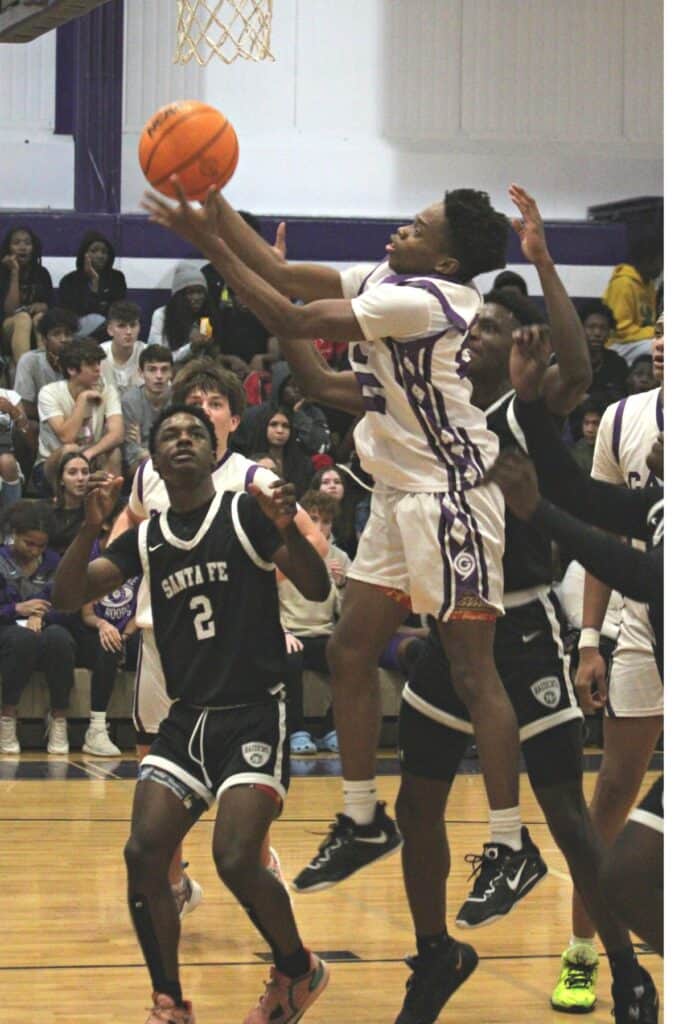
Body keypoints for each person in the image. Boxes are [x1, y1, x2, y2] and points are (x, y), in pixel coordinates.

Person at [143, 178, 549, 898]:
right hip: (397, 498)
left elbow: (287, 317)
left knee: (470, 671)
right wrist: (213, 197)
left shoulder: (422, 301)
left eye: (418, 227)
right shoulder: (390, 276)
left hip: (449, 497)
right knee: (348, 650)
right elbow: (276, 276)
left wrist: (205, 242)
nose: (400, 230)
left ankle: (509, 841)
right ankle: (361, 818)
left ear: (446, 262)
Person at [52, 404, 332, 1024]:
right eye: (169, 435)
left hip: (257, 712)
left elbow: (315, 589)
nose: (182, 441)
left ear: (215, 454)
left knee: (235, 856)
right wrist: (84, 529)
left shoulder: (244, 513)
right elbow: (70, 595)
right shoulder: (147, 538)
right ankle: (170, 1002)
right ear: (151, 459)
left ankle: (296, 968)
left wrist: (287, 530)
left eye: (195, 435)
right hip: (189, 718)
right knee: (143, 853)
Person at [109, 360, 327, 917]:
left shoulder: (252, 479)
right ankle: (176, 882)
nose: (201, 413)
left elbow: (311, 543)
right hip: (162, 635)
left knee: (236, 783)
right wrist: (119, 578)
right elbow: (126, 526)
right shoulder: (150, 474)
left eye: (213, 404)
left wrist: (256, 602)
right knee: (155, 763)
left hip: (229, 654)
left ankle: (260, 862)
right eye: (193, 403)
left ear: (231, 419)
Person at [484, 330, 662, 970]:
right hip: (645, 638)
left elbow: (643, 573)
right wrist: (529, 407)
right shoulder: (657, 494)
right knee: (624, 861)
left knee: (634, 874)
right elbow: (589, 501)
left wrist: (538, 512)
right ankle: (585, 951)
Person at [546, 321, 663, 1012]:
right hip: (640, 624)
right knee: (614, 788)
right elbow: (599, 539)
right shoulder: (622, 419)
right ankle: (586, 950)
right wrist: (589, 637)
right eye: (660, 329)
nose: (662, 342)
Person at [0, 500, 75, 755]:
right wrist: (16, 610)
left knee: (60, 639)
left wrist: (42, 616)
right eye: (28, 543)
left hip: (44, 627)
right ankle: (8, 716)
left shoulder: (54, 562)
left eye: (40, 545)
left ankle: (59, 718)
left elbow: (68, 609)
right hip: (7, 628)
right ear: (14, 535)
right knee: (22, 640)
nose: (34, 550)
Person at [280, 489, 351, 755]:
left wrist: (343, 585)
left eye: (326, 521)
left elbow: (348, 614)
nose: (320, 527)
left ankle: (332, 728)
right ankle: (297, 730)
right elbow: (267, 600)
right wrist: (282, 631)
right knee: (290, 658)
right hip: (290, 632)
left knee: (348, 659)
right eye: (313, 519)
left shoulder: (340, 557)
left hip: (324, 634)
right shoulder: (284, 553)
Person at [36, 338, 124, 492]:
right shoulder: (49, 393)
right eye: (91, 364)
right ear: (71, 369)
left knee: (114, 452)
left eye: (98, 363)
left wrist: (90, 453)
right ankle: (63, 505)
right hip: (53, 462)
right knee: (71, 448)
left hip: (90, 458)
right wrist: (83, 399)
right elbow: (66, 437)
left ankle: (108, 505)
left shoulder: (107, 390)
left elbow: (117, 434)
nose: (98, 369)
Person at [603, 236, 661, 364]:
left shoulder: (648, 283)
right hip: (618, 344)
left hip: (638, 341)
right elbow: (621, 330)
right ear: (646, 260)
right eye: (660, 261)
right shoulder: (623, 283)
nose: (661, 266)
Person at [0, 225, 54, 365]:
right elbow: (10, 311)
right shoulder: (2, 272)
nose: (22, 247)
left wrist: (43, 306)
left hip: (34, 326)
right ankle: (24, 372)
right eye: (16, 243)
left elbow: (53, 307)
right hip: (6, 328)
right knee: (23, 318)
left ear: (33, 248)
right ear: (8, 248)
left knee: (40, 318)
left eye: (27, 243)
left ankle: (43, 368)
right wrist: (14, 273)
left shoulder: (42, 273)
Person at [58, 230, 127, 336]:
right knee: (96, 319)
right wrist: (94, 282)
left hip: (109, 331)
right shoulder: (69, 280)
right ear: (83, 255)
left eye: (104, 252)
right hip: (77, 332)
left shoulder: (116, 278)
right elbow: (71, 315)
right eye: (94, 251)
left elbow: (118, 311)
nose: (100, 255)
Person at [121, 345, 173, 477]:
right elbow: (132, 450)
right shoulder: (130, 400)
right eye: (152, 370)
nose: (159, 376)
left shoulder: (179, 398)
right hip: (140, 463)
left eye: (164, 369)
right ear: (141, 372)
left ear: (171, 373)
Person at [147, 262, 215, 364]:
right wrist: (191, 347)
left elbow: (204, 355)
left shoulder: (205, 318)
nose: (196, 298)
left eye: (200, 292)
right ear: (179, 296)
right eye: (191, 293)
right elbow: (157, 358)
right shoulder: (161, 315)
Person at [248, 406, 314, 498]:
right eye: (273, 424)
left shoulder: (303, 463)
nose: (280, 430)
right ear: (264, 427)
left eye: (285, 426)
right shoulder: (249, 461)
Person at [99, 300, 147, 396]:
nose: (129, 332)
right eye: (122, 326)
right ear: (110, 330)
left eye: (133, 325)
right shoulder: (98, 355)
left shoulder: (148, 353)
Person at [0, 382, 28, 508]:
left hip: (5, 451)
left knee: (7, 462)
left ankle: (12, 520)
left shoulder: (10, 396)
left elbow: (25, 429)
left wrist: (12, 410)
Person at [569, 398, 604, 474]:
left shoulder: (613, 448)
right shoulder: (577, 451)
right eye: (586, 423)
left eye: (595, 423)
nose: (590, 430)